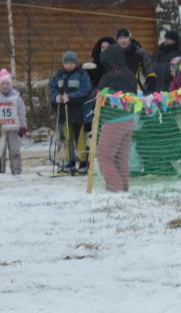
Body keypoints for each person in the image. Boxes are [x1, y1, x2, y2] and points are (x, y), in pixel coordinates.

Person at [94, 45, 138, 192]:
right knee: (121, 157)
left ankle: (115, 188)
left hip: (113, 120)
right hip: (129, 119)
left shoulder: (108, 77)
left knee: (104, 156)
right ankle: (124, 188)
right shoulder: (130, 74)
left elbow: (100, 98)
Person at [49, 51, 92, 171]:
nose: (69, 65)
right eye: (66, 63)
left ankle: (83, 162)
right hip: (64, 111)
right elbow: (52, 88)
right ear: (63, 63)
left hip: (78, 111)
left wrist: (71, 96)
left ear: (75, 63)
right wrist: (55, 97)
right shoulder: (58, 75)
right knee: (68, 137)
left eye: (71, 63)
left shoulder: (82, 74)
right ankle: (71, 161)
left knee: (80, 138)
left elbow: (86, 90)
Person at [0, 70, 26, 176]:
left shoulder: (17, 98)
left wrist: (23, 126)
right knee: (0, 151)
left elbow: (21, 113)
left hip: (14, 129)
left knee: (15, 151)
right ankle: (1, 171)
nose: (5, 86)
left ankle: (16, 171)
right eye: (2, 84)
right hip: (1, 130)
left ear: (11, 85)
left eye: (7, 84)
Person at [114, 28, 153, 92]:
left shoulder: (140, 53)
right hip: (120, 93)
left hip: (139, 93)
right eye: (120, 38)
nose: (123, 40)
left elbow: (150, 72)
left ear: (130, 39)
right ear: (117, 41)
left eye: (125, 37)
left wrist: (150, 90)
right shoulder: (115, 56)